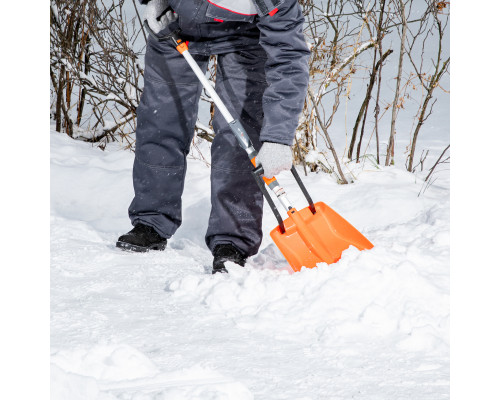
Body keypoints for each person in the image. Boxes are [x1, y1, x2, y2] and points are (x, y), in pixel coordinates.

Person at [116, 0, 310, 273]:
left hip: (245, 38)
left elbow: (289, 55)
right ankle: (151, 221)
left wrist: (278, 136)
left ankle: (232, 241)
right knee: (161, 122)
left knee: (239, 136)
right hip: (176, 24)